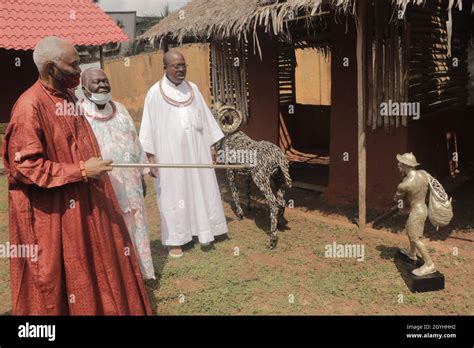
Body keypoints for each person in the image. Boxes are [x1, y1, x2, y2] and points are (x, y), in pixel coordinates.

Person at [2, 36, 152, 315]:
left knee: (95, 262)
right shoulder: (29, 107)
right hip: (53, 212)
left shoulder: (69, 96)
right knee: (62, 272)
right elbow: (26, 166)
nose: (79, 71)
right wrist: (82, 170)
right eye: (73, 66)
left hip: (84, 200)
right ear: (50, 68)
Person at [139, 50, 228, 258]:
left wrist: (211, 146)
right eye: (176, 66)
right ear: (166, 68)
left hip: (197, 152)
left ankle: (204, 230)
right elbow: (147, 128)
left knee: (202, 187)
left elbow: (205, 119)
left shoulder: (194, 89)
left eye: (183, 65)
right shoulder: (154, 93)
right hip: (169, 155)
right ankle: (176, 240)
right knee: (173, 193)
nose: (180, 69)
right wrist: (151, 157)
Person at [80, 67, 155, 280]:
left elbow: (135, 141)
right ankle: (121, 277)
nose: (102, 84)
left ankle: (144, 273)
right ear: (85, 90)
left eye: (105, 80)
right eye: (96, 82)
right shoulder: (79, 115)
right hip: (104, 186)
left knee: (138, 225)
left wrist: (142, 174)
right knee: (111, 228)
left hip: (131, 183)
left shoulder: (120, 109)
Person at [394, 153, 436, 276]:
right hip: (423, 208)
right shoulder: (423, 173)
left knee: (416, 238)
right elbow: (433, 183)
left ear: (406, 165)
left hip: (417, 211)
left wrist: (398, 194)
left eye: (400, 163)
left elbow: (397, 198)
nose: (398, 165)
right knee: (409, 229)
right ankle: (412, 254)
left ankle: (429, 265)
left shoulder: (404, 185)